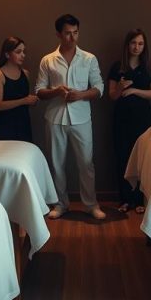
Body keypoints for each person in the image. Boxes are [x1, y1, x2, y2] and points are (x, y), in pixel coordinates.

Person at [35, 14, 106, 220]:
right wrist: (57, 91)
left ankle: (91, 205)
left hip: (82, 117)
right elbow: (39, 91)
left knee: (86, 163)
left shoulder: (89, 58)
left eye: (75, 33)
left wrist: (81, 95)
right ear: (58, 34)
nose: (72, 37)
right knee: (56, 164)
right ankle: (60, 204)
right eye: (67, 33)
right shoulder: (47, 60)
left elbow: (99, 87)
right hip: (55, 118)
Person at [108, 29, 151, 214]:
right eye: (133, 43)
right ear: (127, 45)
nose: (136, 47)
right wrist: (121, 87)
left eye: (140, 43)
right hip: (121, 118)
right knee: (122, 156)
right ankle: (125, 200)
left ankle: (140, 199)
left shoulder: (149, 67)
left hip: (142, 118)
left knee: (142, 159)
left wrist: (134, 91)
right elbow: (112, 96)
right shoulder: (117, 67)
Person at [0, 36, 38, 142]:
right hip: (6, 124)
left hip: (24, 122)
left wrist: (32, 101)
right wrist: (24, 100)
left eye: (23, 51)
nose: (23, 55)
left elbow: (26, 100)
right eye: (18, 52)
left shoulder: (25, 73)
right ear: (7, 54)